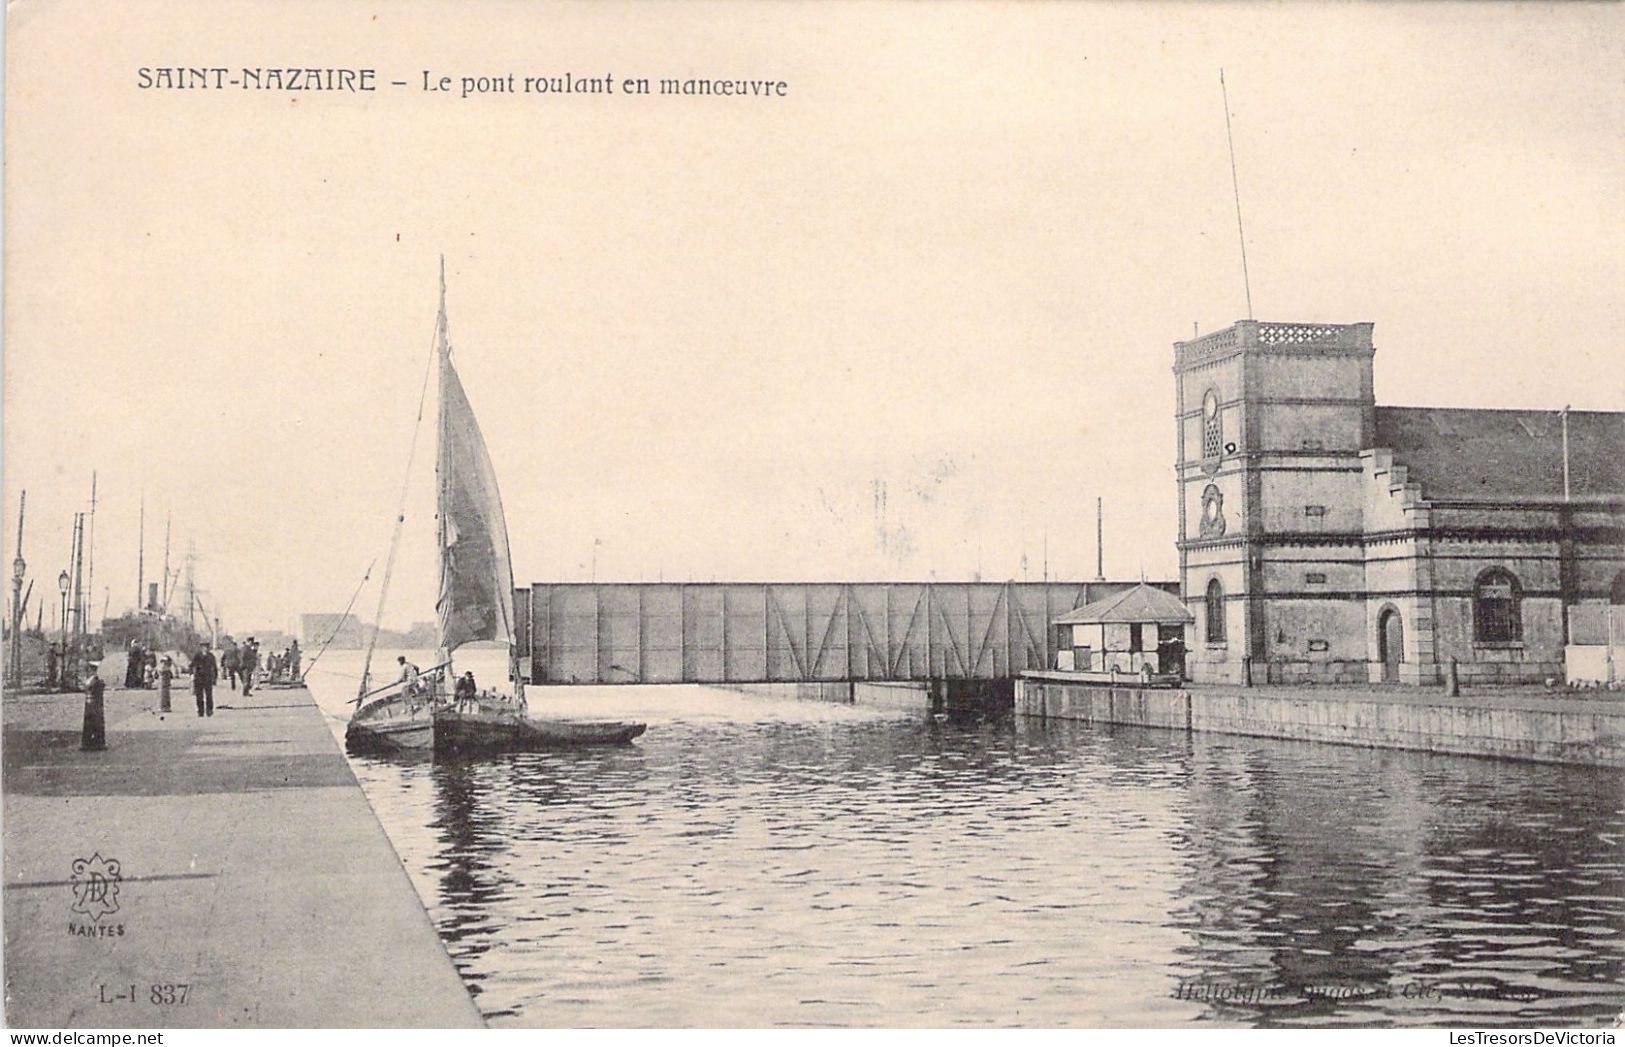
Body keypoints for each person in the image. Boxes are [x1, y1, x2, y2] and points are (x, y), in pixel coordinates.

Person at [191, 642, 217, 718]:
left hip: (208, 678)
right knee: (199, 696)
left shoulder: (211, 656)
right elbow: (191, 665)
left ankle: (209, 710)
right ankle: (200, 711)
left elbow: (214, 668)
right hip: (198, 678)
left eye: (207, 647)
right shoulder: (197, 656)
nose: (205, 649)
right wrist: (191, 675)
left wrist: (215, 678)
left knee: (209, 695)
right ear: (201, 648)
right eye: (204, 647)